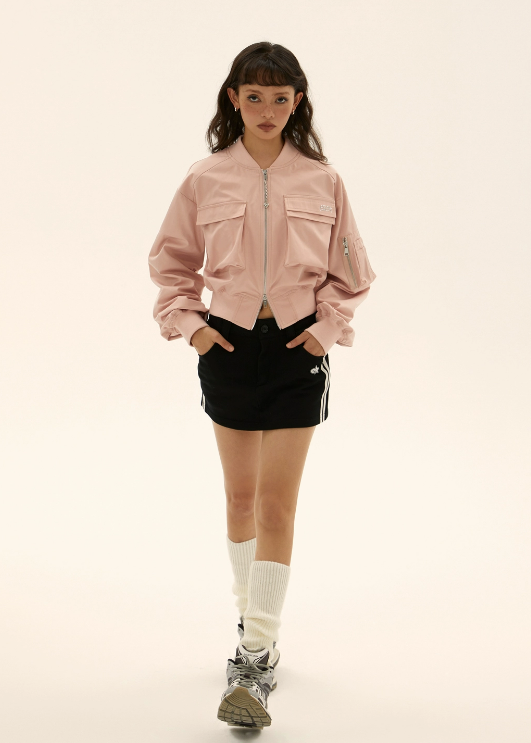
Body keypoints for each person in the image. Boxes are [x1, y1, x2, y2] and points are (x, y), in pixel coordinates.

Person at [147, 41, 376, 728]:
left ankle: (254, 657)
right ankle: (254, 623)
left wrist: (326, 329)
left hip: (297, 349)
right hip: (227, 344)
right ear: (234, 99)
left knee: (276, 505)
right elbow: (171, 262)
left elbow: (353, 272)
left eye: (281, 98)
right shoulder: (205, 177)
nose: (268, 110)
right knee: (240, 499)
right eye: (254, 97)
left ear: (297, 102)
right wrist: (191, 325)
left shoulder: (323, 179)